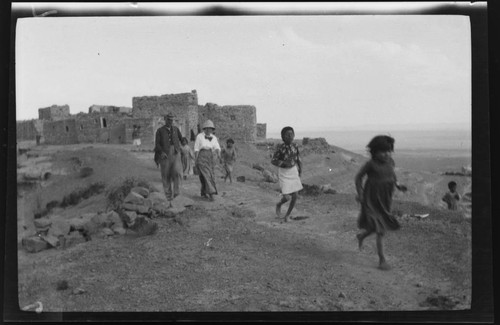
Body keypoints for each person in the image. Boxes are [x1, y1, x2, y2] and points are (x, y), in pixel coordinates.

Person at [355, 135, 407, 271]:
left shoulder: (390, 161)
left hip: (385, 200)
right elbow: (358, 177)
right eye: (383, 151)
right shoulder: (370, 164)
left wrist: (398, 185)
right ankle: (382, 260)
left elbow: (392, 174)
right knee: (380, 230)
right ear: (374, 151)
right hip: (371, 200)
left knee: (377, 226)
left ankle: (361, 236)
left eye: (389, 151)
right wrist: (360, 194)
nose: (387, 154)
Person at [271, 126, 303, 222]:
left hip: (293, 171)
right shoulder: (280, 148)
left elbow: (298, 159)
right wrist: (284, 163)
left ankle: (287, 216)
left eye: (291, 134)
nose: (290, 136)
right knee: (286, 196)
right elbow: (273, 160)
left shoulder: (295, 146)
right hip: (284, 173)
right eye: (287, 135)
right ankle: (279, 204)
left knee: (295, 195)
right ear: (283, 137)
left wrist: (300, 170)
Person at [154, 113, 183, 200]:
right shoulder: (160, 131)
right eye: (168, 120)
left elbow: (182, 139)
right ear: (165, 120)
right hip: (165, 154)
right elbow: (157, 144)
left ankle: (176, 194)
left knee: (177, 172)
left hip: (175, 153)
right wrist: (161, 152)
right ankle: (168, 196)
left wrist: (182, 148)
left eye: (172, 120)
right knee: (166, 175)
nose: (170, 121)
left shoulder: (176, 129)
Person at [194, 120, 221, 201]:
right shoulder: (199, 136)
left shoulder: (214, 138)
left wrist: (219, 155)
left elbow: (217, 147)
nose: (210, 131)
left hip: (210, 158)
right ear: (205, 129)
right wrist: (196, 159)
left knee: (207, 176)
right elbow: (196, 149)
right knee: (207, 175)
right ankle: (211, 194)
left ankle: (204, 192)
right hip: (202, 157)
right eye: (208, 129)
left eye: (211, 129)